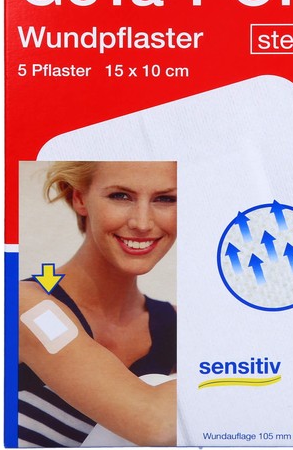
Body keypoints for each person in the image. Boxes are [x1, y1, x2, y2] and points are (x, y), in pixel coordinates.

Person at [18, 161, 177, 447]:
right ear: (80, 198)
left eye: (166, 199)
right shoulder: (24, 305)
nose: (142, 223)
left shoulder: (178, 328)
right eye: (120, 196)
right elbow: (155, 422)